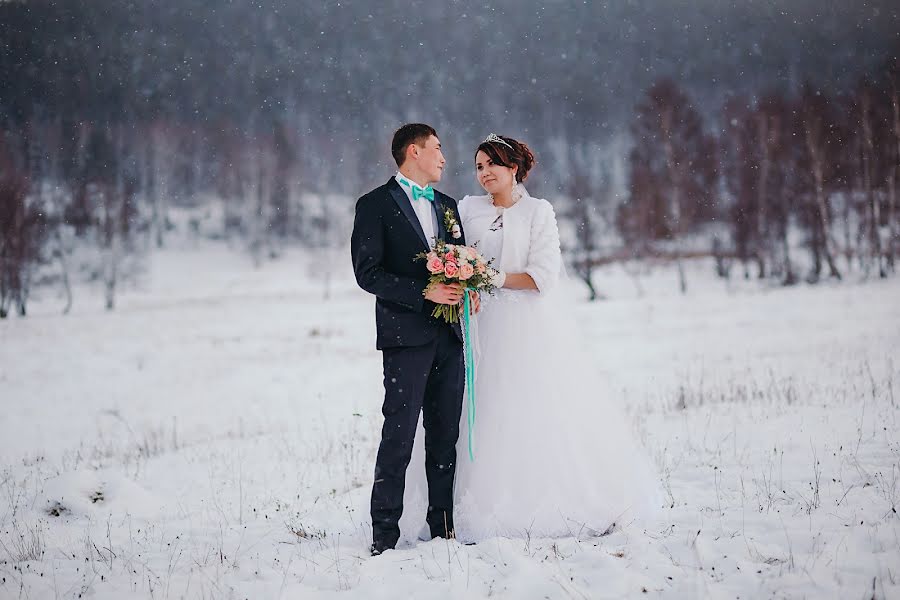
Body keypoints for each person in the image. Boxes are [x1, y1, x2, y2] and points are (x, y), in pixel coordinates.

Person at [403, 133, 660, 543]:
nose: (484, 173)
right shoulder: (465, 209)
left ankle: (529, 503)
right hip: (473, 323)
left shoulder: (539, 213)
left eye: (492, 165)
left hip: (523, 327)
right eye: (479, 166)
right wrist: (462, 285)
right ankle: (449, 508)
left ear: (513, 168)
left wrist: (492, 278)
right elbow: (449, 254)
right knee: (464, 408)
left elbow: (543, 277)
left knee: (525, 411)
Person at [350, 123, 467, 556]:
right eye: (437, 148)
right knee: (399, 435)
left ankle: (443, 528)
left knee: (444, 435)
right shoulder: (374, 205)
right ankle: (384, 535)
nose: (443, 157)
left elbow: (461, 261)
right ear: (413, 151)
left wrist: (467, 293)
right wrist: (424, 293)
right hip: (405, 338)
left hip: (450, 337)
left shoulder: (449, 207)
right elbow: (368, 273)